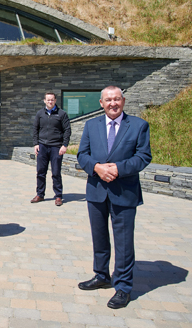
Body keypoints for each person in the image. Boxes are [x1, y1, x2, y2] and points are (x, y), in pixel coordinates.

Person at [77, 86, 152, 309]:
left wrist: (118, 168)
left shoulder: (138, 125)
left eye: (116, 99)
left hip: (124, 193)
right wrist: (97, 168)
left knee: (124, 242)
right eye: (108, 100)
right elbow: (82, 154)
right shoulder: (91, 125)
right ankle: (101, 275)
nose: (113, 103)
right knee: (99, 238)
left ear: (123, 100)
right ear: (101, 103)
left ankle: (123, 287)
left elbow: (143, 156)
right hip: (96, 192)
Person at [31, 92, 71, 206]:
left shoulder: (62, 114)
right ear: (44, 100)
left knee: (56, 172)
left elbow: (67, 130)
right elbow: (35, 129)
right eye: (48, 100)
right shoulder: (40, 114)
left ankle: (58, 196)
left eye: (52, 100)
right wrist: (35, 144)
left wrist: (64, 145)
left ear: (55, 100)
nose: (50, 102)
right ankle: (40, 194)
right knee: (40, 172)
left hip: (56, 147)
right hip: (42, 146)